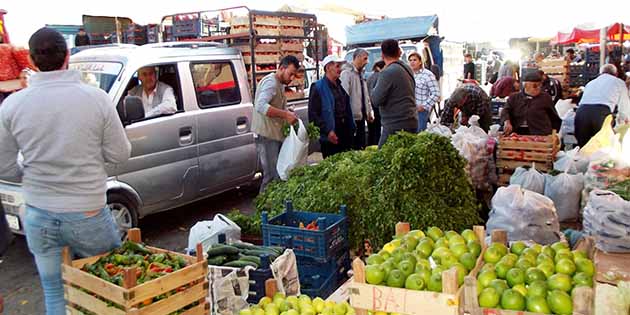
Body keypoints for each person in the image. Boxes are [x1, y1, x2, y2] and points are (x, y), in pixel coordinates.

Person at [0, 27, 131, 315]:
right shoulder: (96, 98)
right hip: (87, 212)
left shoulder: (12, 105)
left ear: (32, 61)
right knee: (107, 290)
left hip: (38, 213)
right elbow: (120, 154)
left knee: (54, 291)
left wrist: (31, 174)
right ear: (68, 56)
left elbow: (4, 166)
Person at [251, 55, 300, 191]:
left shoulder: (279, 83)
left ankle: (272, 209)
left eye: (294, 75)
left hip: (273, 135)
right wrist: (285, 114)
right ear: (281, 68)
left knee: (276, 174)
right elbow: (260, 106)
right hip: (266, 136)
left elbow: (273, 104)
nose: (291, 78)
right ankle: (263, 210)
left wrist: (286, 110)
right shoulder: (271, 83)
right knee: (271, 176)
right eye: (290, 74)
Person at [370, 39, 418, 147]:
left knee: (382, 158)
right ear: (399, 52)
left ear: (382, 55)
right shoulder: (407, 68)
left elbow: (376, 100)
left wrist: (372, 87)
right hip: (411, 121)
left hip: (395, 125)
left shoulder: (387, 73)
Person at [309, 55, 355, 158]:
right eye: (337, 66)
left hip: (344, 131)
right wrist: (327, 131)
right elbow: (313, 115)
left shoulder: (339, 85)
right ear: (328, 67)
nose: (340, 69)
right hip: (330, 134)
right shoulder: (317, 87)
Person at [575, 64, 630, 147]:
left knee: (583, 148)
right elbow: (624, 106)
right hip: (600, 114)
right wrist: (626, 119)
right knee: (603, 149)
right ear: (616, 74)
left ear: (600, 73)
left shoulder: (590, 83)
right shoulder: (618, 82)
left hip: (581, 113)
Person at [501, 71, 561, 135]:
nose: (538, 88)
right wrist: (507, 121)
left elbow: (553, 116)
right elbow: (506, 110)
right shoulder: (514, 97)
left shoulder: (545, 97)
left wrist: (554, 133)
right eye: (535, 86)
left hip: (540, 133)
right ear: (526, 85)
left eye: (540, 85)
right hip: (518, 133)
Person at [340, 48, 373, 150]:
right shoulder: (347, 73)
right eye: (365, 59)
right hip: (352, 118)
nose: (367, 62)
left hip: (361, 116)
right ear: (357, 58)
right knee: (354, 146)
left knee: (362, 145)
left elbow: (365, 95)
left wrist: (369, 112)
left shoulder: (360, 73)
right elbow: (344, 96)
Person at [408, 52, 440, 132]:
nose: (412, 62)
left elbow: (436, 93)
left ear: (420, 62)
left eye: (415, 60)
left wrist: (424, 106)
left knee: (420, 134)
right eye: (410, 60)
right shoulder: (409, 74)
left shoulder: (428, 75)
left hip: (421, 111)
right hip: (409, 111)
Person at [366, 60, 385, 146]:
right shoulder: (380, 76)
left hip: (370, 106)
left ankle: (371, 145)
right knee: (377, 130)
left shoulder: (370, 77)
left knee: (372, 130)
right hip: (377, 106)